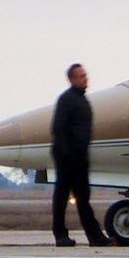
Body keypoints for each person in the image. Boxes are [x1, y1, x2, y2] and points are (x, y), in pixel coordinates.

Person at [50, 63, 111, 247]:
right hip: (68, 158)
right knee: (62, 198)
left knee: (83, 198)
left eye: (86, 75)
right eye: (82, 76)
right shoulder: (67, 100)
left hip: (80, 157)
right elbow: (58, 129)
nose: (86, 78)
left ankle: (95, 236)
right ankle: (60, 234)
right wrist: (68, 153)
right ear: (72, 79)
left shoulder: (82, 100)